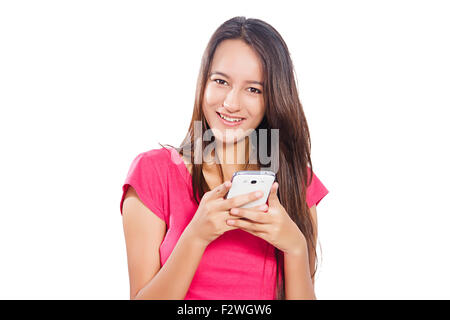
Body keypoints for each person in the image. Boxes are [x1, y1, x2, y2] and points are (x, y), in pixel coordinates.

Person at [120, 16, 329, 300]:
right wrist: (196, 236)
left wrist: (295, 247)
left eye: (253, 89)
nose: (231, 103)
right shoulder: (154, 173)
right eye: (221, 81)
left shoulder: (298, 182)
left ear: (273, 98)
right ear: (203, 83)